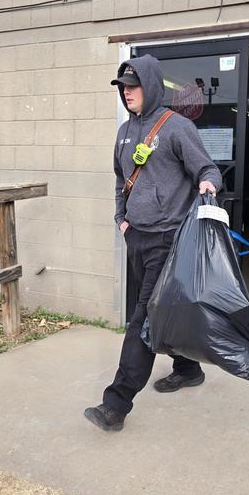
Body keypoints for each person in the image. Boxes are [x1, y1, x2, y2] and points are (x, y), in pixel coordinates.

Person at [85, 54, 222, 432]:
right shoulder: (125, 131)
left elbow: (206, 167)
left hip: (168, 239)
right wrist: (121, 219)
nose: (127, 93)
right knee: (158, 310)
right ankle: (188, 368)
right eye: (122, 88)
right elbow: (120, 179)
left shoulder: (176, 127)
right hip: (137, 237)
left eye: (133, 86)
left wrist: (209, 183)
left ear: (151, 85)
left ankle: (116, 404)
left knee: (142, 318)